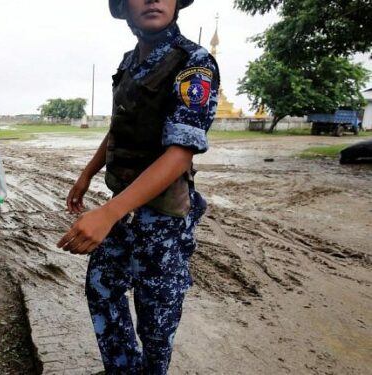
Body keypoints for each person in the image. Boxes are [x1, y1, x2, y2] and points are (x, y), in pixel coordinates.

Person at [56, 0, 219, 373]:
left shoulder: (193, 62)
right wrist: (87, 173)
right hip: (124, 211)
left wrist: (107, 214)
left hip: (163, 218)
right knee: (101, 288)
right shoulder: (130, 62)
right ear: (123, 8)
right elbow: (119, 126)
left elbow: (180, 152)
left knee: (156, 320)